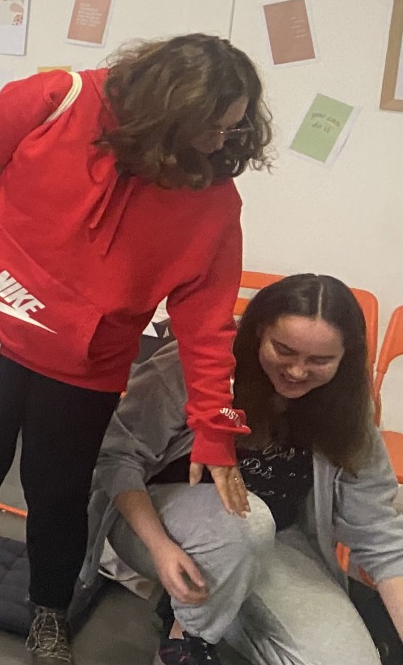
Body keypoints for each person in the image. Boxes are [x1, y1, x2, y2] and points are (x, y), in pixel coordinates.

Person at [0, 36, 275, 665]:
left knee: (60, 496)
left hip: (86, 366)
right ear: (164, 113)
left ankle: (49, 615)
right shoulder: (56, 99)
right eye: (210, 127)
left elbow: (206, 323)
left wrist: (214, 430)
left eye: (233, 126)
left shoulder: (214, 199)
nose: (221, 142)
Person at [79, 273, 403, 665]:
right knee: (247, 523)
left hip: (274, 540)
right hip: (159, 523)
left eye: (319, 361)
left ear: (345, 357)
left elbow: (380, 535)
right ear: (259, 332)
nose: (297, 371)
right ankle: (186, 640)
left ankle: (215, 606)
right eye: (284, 350)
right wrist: (160, 549)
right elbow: (117, 457)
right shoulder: (196, 365)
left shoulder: (348, 408)